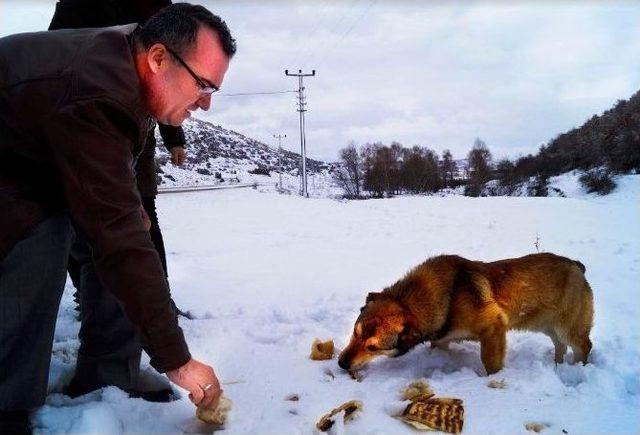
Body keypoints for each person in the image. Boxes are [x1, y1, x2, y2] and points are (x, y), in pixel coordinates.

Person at [0, 3, 236, 434]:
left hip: (39, 156)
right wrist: (177, 361)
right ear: (159, 58)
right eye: (203, 85)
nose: (205, 104)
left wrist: (129, 212)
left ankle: (110, 370)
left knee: (128, 237)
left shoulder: (133, 63)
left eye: (213, 90)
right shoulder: (95, 89)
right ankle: (5, 399)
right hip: (12, 171)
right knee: (42, 235)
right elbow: (118, 240)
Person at [49, 0, 190, 318]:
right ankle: (90, 297)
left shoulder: (156, 7)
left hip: (134, 124)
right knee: (77, 217)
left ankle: (158, 299)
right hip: (80, 120)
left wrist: (174, 136)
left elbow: (167, 72)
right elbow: (55, 49)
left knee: (143, 216)